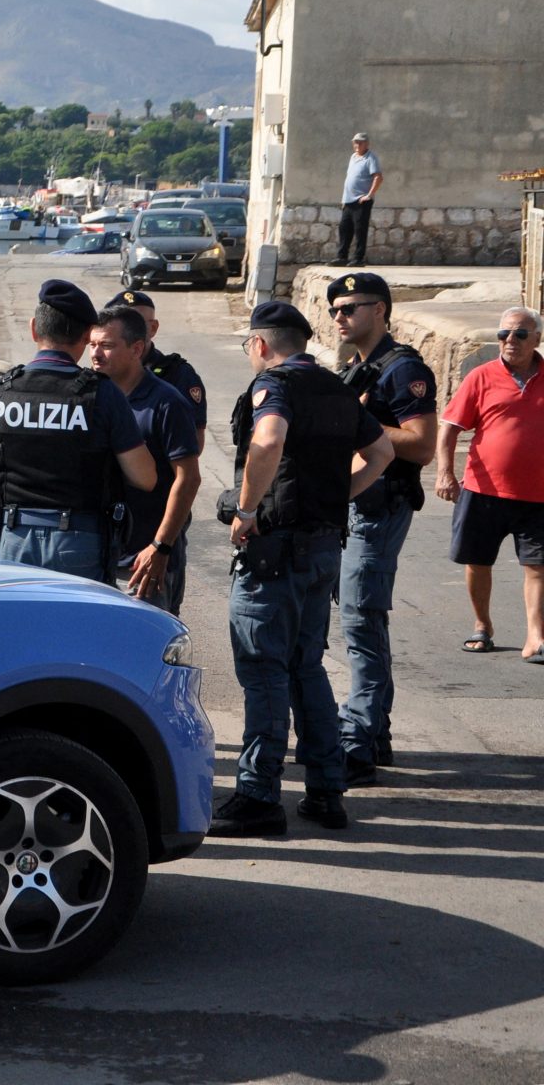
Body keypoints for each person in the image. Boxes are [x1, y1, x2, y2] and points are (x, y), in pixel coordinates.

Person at [211, 301, 394, 838]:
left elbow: (268, 440)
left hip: (275, 551)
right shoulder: (338, 388)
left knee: (264, 670)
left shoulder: (276, 386)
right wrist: (338, 497)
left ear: (261, 345)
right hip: (321, 547)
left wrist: (245, 512)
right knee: (306, 666)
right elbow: (381, 451)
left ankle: (258, 794)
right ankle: (325, 791)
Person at [329, 271, 436, 781]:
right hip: (356, 506)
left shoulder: (402, 369)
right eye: (334, 309)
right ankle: (378, 732)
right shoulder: (357, 368)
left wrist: (361, 424)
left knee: (361, 621)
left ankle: (360, 739)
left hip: (381, 508)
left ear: (381, 311)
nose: (339, 317)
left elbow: (421, 444)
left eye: (350, 307)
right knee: (362, 619)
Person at [0, 278, 156, 581]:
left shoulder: (1, 389)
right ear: (87, 336)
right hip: (78, 542)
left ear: (34, 329)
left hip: (14, 538)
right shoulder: (102, 393)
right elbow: (145, 478)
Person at [436, 307, 544, 662]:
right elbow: (450, 428)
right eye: (503, 334)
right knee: (478, 561)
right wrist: (445, 473)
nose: (510, 341)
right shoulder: (481, 377)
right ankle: (482, 625)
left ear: (537, 339)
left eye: (520, 334)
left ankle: (535, 637)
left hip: (538, 495)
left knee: (537, 567)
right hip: (483, 491)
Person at [87, 306, 201, 612]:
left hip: (144, 562)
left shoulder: (166, 403)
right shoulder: (90, 396)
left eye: (107, 346)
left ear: (137, 348)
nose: (96, 354)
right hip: (98, 556)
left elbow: (188, 478)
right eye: (92, 345)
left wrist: (160, 546)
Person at [107, 289, 207, 452]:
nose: (127, 331)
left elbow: (193, 442)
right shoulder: (102, 372)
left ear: (153, 328)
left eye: (135, 323)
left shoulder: (177, 374)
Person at [333, 132, 382, 267]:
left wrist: (369, 195)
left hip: (361, 201)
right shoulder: (353, 157)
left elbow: (378, 177)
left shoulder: (370, 158)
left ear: (367, 144)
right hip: (348, 201)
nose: (357, 145)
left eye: (360, 142)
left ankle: (358, 259)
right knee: (344, 229)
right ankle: (342, 256)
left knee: (360, 230)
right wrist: (344, 199)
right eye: (355, 142)